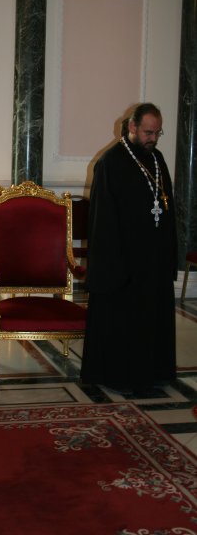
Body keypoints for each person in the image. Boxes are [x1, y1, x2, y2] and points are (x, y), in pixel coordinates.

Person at [81, 102, 177, 395]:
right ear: (132, 127)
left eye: (157, 133)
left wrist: (168, 255)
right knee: (124, 323)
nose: (153, 139)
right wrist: (113, 266)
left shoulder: (157, 159)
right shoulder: (110, 162)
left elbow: (167, 209)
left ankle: (154, 372)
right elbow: (101, 221)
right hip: (122, 265)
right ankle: (119, 376)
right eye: (148, 132)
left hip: (154, 262)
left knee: (153, 319)